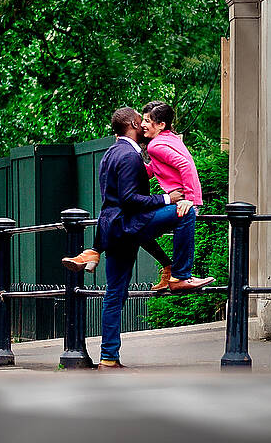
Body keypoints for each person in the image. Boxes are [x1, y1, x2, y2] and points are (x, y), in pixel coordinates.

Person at [59, 106, 210, 368]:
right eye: (141, 121)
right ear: (132, 123)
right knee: (185, 213)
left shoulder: (110, 154)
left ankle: (108, 359)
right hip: (129, 224)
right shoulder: (130, 155)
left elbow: (115, 198)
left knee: (114, 294)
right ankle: (179, 276)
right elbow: (129, 199)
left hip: (114, 229)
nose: (143, 125)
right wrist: (168, 198)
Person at [136, 101, 207, 292]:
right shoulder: (170, 138)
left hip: (183, 202)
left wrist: (189, 199)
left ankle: (179, 275)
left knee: (136, 228)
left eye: (147, 121)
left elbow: (185, 165)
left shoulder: (155, 146)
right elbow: (154, 169)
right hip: (183, 200)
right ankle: (171, 270)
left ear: (161, 124)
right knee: (136, 228)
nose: (143, 124)